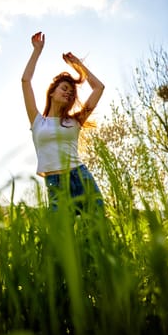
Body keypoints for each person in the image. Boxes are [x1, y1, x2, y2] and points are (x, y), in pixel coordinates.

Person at [21, 31, 105, 214]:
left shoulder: (75, 121)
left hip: (80, 176)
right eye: (64, 88)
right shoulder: (37, 121)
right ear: (51, 92)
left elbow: (99, 88)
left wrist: (78, 65)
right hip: (55, 183)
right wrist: (37, 51)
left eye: (71, 93)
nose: (68, 93)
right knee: (61, 238)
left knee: (96, 232)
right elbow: (25, 81)